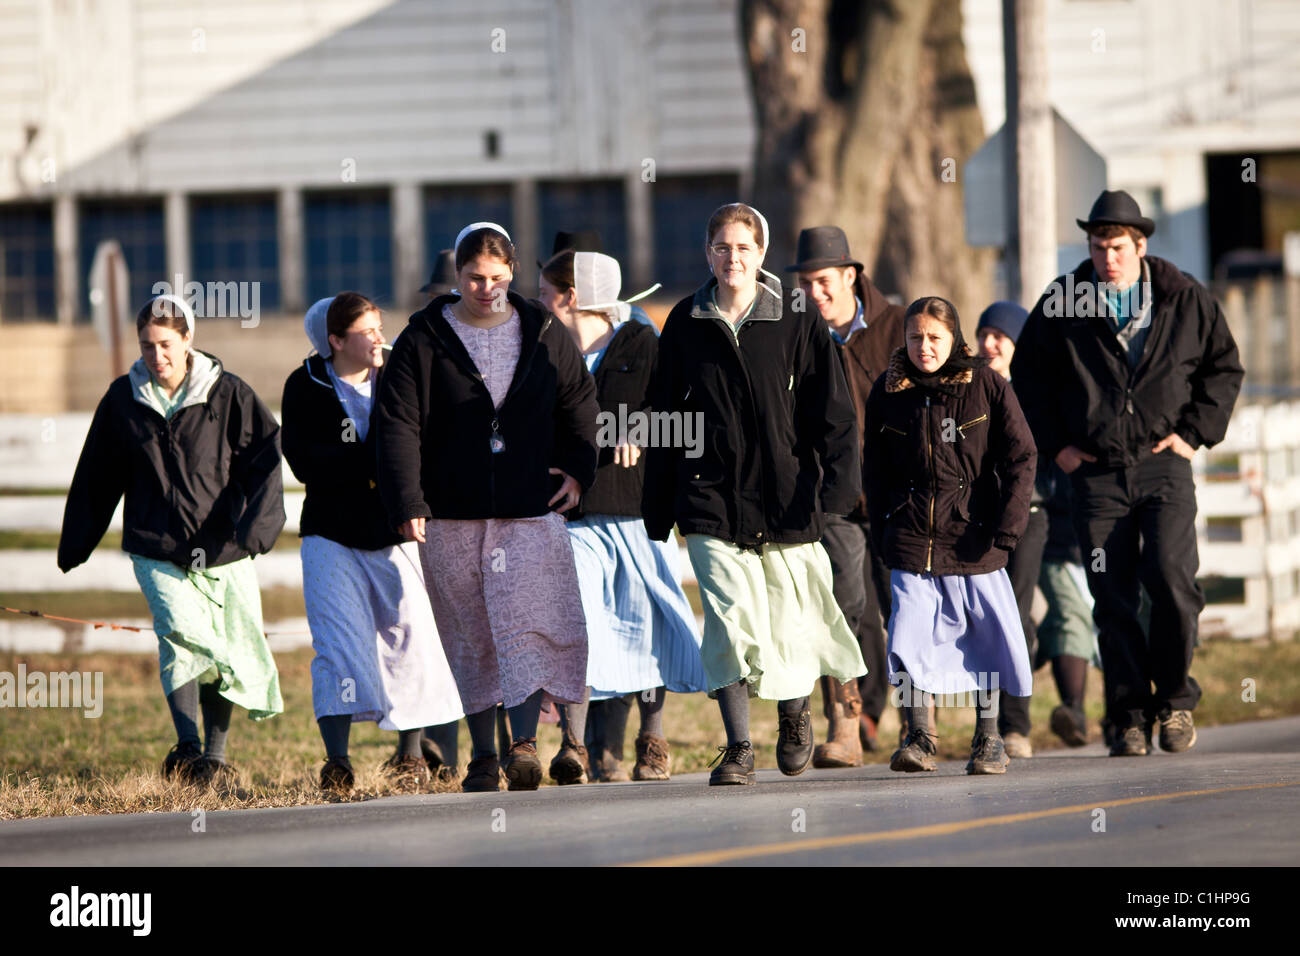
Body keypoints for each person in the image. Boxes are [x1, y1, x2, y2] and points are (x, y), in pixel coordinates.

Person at [1011, 190, 1244, 756]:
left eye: (1116, 246)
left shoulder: (1184, 298)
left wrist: (1193, 434)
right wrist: (1058, 446)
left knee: (1170, 579)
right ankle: (1129, 715)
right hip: (1094, 474)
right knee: (1110, 595)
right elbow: (1028, 377)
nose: (1106, 257)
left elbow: (1223, 368)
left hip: (1164, 465)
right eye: (1097, 246)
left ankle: (1176, 701)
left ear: (1140, 246)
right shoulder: (1063, 301)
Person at [643, 202, 866, 786]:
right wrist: (659, 504)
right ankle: (738, 745)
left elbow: (833, 413)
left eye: (744, 247)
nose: (732, 258)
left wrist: (837, 487)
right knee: (727, 617)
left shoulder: (796, 317)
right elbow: (664, 416)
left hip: (786, 495)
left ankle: (795, 718)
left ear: (761, 255)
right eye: (722, 247)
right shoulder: (686, 323)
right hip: (710, 498)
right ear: (708, 254)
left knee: (787, 622)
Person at [373, 222, 599, 792]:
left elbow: (579, 406)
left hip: (529, 511)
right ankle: (482, 754)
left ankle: (523, 747)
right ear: (458, 275)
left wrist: (579, 470)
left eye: (497, 277)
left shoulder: (543, 329)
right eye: (475, 277)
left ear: (513, 273)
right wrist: (408, 498)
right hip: (451, 514)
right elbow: (397, 426)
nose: (486, 288)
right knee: (471, 635)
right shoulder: (421, 340)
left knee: (524, 628)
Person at [58, 294, 285, 785]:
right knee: (183, 635)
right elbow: (97, 474)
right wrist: (76, 542)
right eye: (146, 346)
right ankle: (187, 746)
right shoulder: (124, 399)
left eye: (165, 345)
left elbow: (266, 459)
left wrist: (257, 528)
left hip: (224, 548)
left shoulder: (229, 394)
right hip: (155, 545)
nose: (156, 357)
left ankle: (215, 760)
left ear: (188, 340)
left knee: (227, 650)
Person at [281, 293, 464, 795]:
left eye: (380, 327)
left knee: (411, 637)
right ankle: (336, 760)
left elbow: (423, 442)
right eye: (367, 331)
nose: (379, 338)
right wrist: (377, 465)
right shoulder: (305, 385)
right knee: (336, 644)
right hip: (331, 532)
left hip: (394, 530)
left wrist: (405, 490)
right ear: (336, 341)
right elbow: (304, 459)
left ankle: (409, 755)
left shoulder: (397, 377)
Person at [538, 249, 706, 783]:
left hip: (637, 509)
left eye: (546, 294)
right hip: (573, 515)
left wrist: (641, 426)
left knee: (647, 624)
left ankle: (651, 739)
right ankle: (574, 746)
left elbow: (680, 414)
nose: (539, 304)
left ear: (570, 297)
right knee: (578, 624)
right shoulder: (547, 351)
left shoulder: (642, 342)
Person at [864, 296, 1037, 775]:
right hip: (911, 539)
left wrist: (1008, 526)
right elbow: (874, 469)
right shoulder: (889, 389)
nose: (924, 347)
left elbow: (1022, 457)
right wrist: (882, 527)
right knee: (906, 637)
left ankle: (989, 738)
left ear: (954, 340)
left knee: (984, 640)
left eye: (935, 338)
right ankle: (918, 736)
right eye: (915, 337)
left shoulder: (986, 385)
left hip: (974, 539)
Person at [789, 225, 905, 765]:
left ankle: (915, 723)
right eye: (807, 283)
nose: (816, 293)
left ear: (851, 276)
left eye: (825, 280)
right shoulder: (797, 338)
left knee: (903, 607)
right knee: (845, 605)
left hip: (898, 495)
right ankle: (846, 724)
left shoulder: (899, 326)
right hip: (831, 498)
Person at [974, 300, 1042, 759]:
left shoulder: (1034, 392)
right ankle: (987, 727)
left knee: (1015, 614)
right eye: (984, 334)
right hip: (980, 519)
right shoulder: (971, 389)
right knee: (984, 618)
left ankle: (1016, 724)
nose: (989, 343)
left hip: (1031, 516)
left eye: (1000, 336)